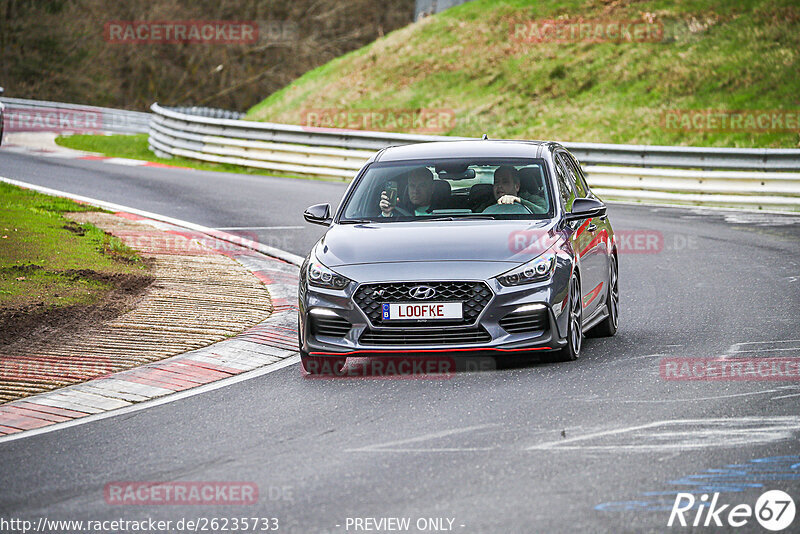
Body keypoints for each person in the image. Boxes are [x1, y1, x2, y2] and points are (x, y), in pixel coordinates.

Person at [475, 165, 548, 214]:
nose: (499, 186)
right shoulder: (487, 203)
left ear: (517, 186)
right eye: (496, 182)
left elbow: (545, 213)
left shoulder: (533, 199)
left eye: (505, 182)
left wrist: (519, 201)